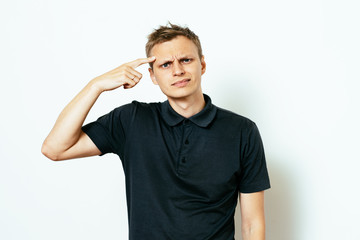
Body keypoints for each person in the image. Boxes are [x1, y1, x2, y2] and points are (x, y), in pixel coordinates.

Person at [42, 23, 270, 240]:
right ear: (152, 75)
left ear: (202, 65)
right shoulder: (131, 120)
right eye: (165, 65)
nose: (178, 70)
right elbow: (54, 148)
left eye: (186, 60)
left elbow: (252, 225)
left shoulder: (242, 131)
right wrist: (96, 85)